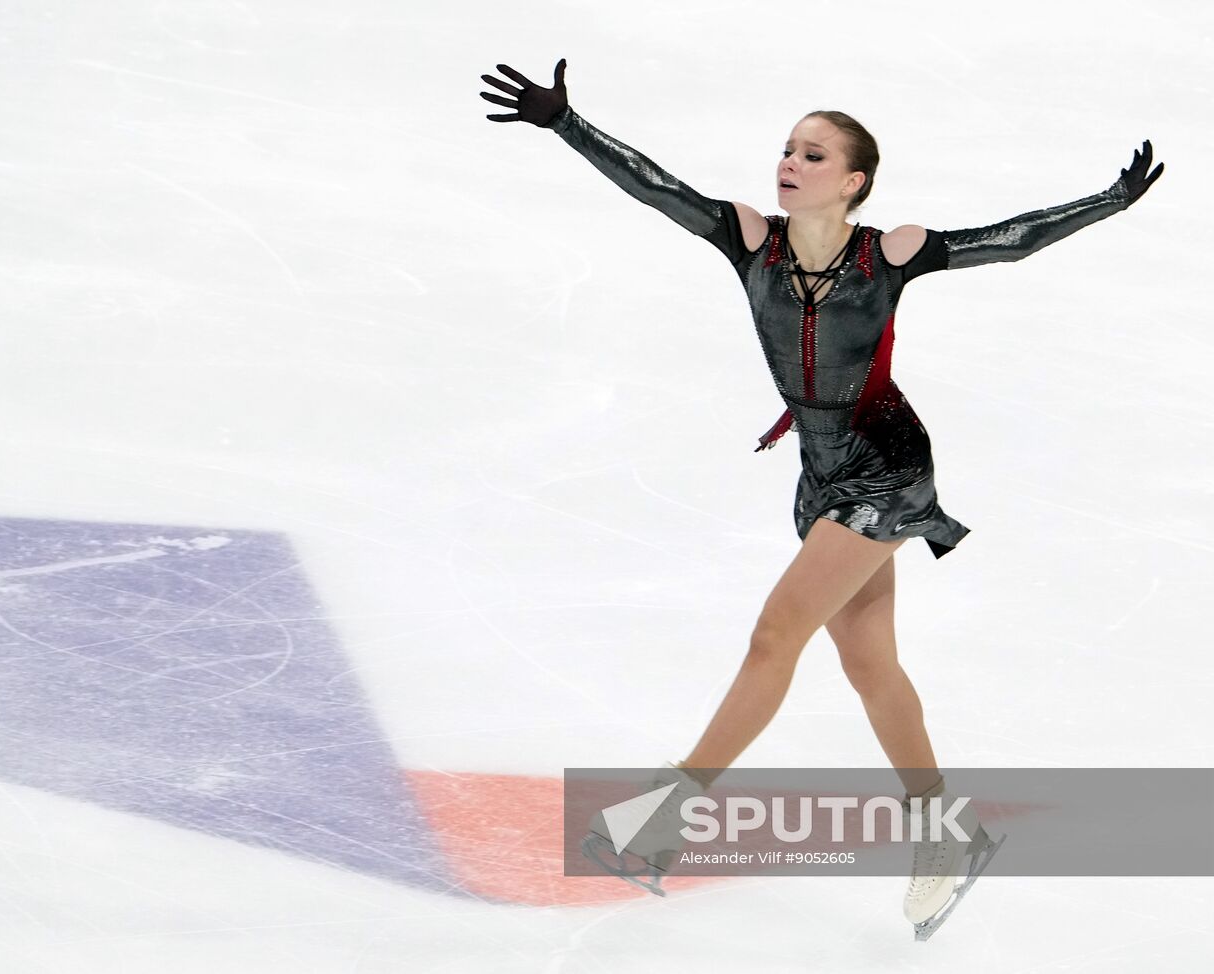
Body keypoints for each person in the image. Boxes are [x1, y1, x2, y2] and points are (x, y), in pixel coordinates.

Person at [479, 59, 1163, 937]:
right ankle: (945, 838)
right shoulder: (750, 241)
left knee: (776, 633)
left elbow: (1011, 238)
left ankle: (667, 817)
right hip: (819, 472)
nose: (789, 163)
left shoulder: (889, 253)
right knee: (870, 665)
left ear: (853, 181)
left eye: (812, 154)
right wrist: (565, 123)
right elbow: (656, 189)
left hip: (885, 466)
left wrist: (1108, 201)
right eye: (786, 150)